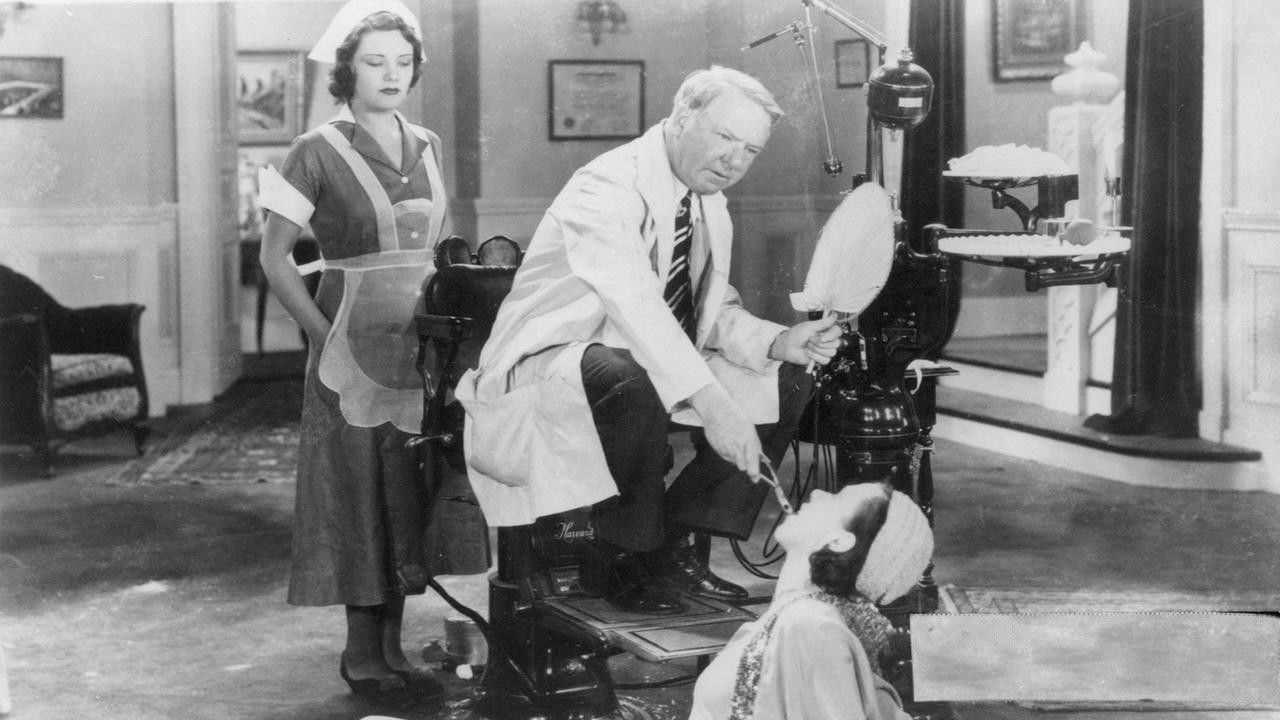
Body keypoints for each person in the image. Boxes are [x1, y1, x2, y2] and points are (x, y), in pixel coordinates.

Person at [455, 66, 843, 614]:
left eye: (751, 150)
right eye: (725, 137)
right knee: (627, 375)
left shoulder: (704, 197)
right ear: (682, 118)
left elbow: (702, 306)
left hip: (643, 357)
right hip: (556, 357)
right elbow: (636, 303)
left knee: (787, 379)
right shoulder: (606, 185)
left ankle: (672, 547)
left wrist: (779, 342)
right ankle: (620, 556)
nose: (735, 160)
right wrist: (714, 405)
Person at [258, 0, 485, 702]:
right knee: (359, 495)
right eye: (375, 61)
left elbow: (440, 249)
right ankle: (362, 656)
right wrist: (322, 335)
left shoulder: (428, 142)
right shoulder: (314, 149)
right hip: (349, 350)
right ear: (347, 70)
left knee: (408, 492)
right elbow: (274, 259)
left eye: (403, 62)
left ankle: (391, 650)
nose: (392, 74)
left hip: (422, 350)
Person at [689, 483, 934, 720]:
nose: (817, 493)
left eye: (836, 498)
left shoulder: (811, 625)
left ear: (839, 541)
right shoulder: (803, 616)